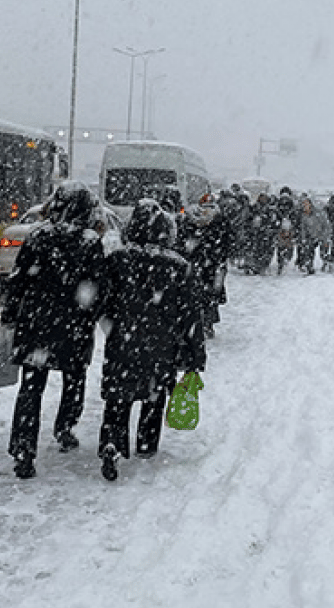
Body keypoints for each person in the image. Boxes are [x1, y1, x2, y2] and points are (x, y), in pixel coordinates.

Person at [1, 181, 107, 479]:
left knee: (31, 387)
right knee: (74, 379)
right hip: (73, 325)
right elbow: (98, 288)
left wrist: (11, 314)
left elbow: (18, 280)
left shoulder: (37, 238)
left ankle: (24, 447)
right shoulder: (89, 242)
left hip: (36, 324)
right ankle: (65, 427)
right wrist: (89, 315)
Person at [97, 198, 206, 481]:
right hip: (161, 344)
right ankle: (146, 444)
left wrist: (112, 321)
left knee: (117, 399)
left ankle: (112, 442)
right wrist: (196, 356)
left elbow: (102, 300)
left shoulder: (118, 260)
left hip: (122, 340)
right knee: (153, 396)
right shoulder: (178, 266)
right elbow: (191, 315)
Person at [178, 192, 234, 337]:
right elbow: (228, 240)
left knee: (194, 292)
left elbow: (183, 240)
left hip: (196, 262)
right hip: (213, 263)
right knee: (211, 294)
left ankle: (197, 322)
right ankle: (207, 323)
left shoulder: (190, 218)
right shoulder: (220, 219)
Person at [243, 191, 278, 275]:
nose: (263, 200)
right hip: (255, 235)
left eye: (264, 198)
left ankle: (261, 266)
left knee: (265, 251)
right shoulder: (253, 208)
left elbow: (273, 223)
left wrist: (269, 229)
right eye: (262, 198)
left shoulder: (270, 210)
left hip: (265, 235)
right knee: (253, 250)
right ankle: (252, 266)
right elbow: (247, 220)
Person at [295, 195, 332, 275]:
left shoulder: (319, 213)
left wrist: (325, 238)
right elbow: (303, 228)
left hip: (322, 235)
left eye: (306, 204)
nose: (305, 206)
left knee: (324, 255)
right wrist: (304, 239)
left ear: (310, 204)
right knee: (308, 251)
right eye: (303, 204)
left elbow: (326, 226)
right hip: (312, 237)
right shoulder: (304, 216)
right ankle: (310, 269)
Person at [274, 187, 299, 274]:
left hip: (284, 227)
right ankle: (283, 262)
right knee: (286, 246)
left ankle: (282, 263)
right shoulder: (290, 204)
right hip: (285, 228)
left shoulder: (279, 203)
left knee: (282, 247)